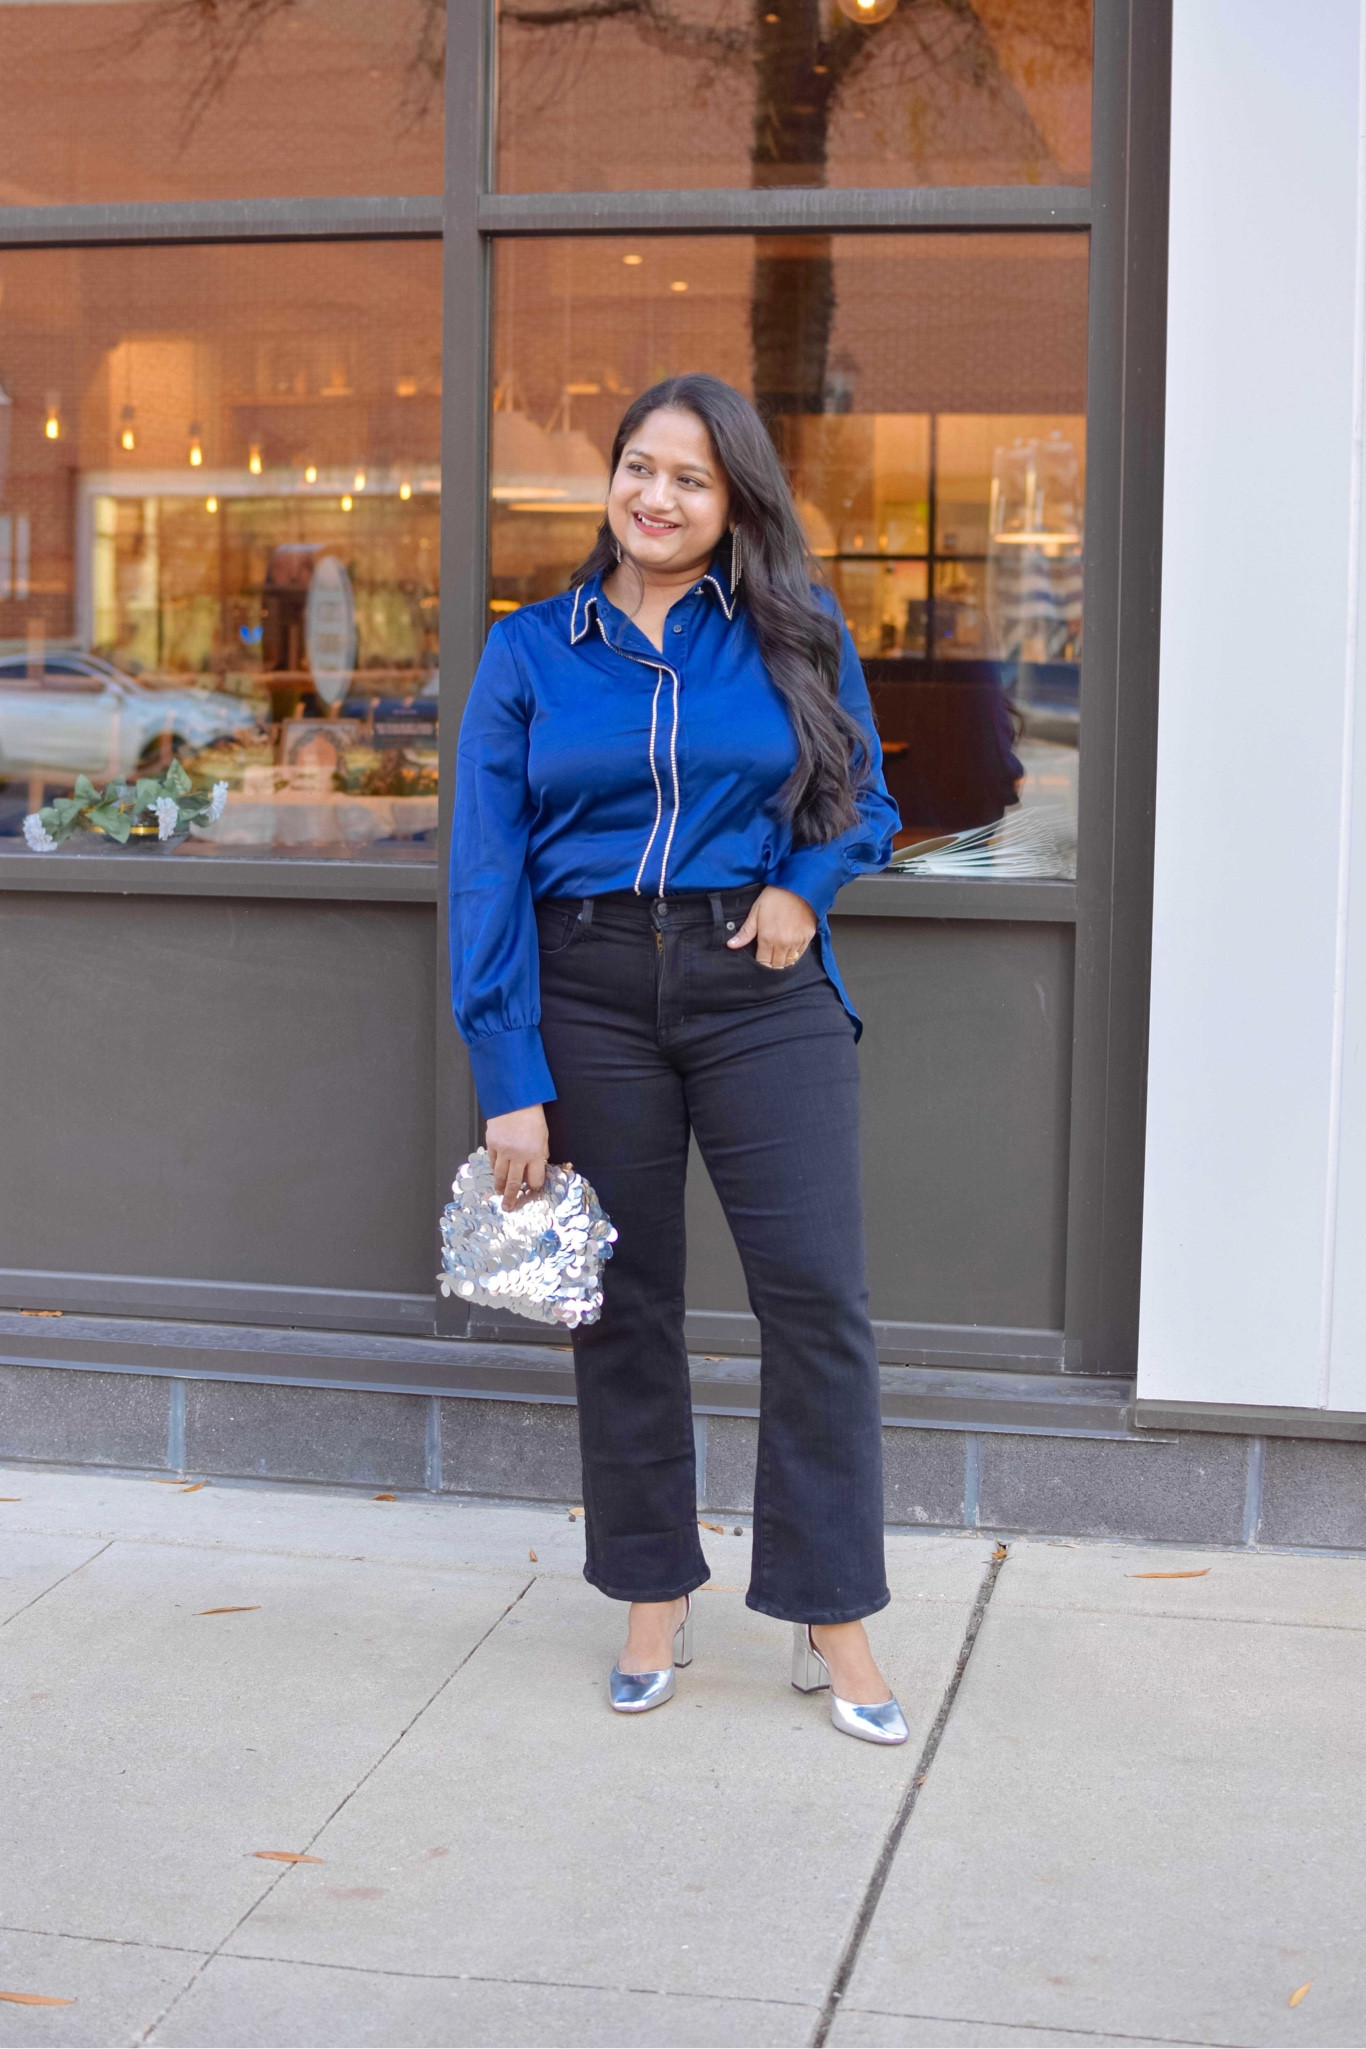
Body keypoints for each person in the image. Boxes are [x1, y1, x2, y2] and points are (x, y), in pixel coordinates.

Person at [450, 373, 907, 1745]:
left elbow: (862, 796)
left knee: (817, 1296)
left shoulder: (794, 631)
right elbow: (484, 871)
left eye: (689, 480)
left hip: (758, 985)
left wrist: (804, 884)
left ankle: (831, 1608)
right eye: (637, 467)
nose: (654, 496)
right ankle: (652, 1589)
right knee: (623, 1302)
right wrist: (507, 1077)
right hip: (585, 988)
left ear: (732, 504)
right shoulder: (531, 650)